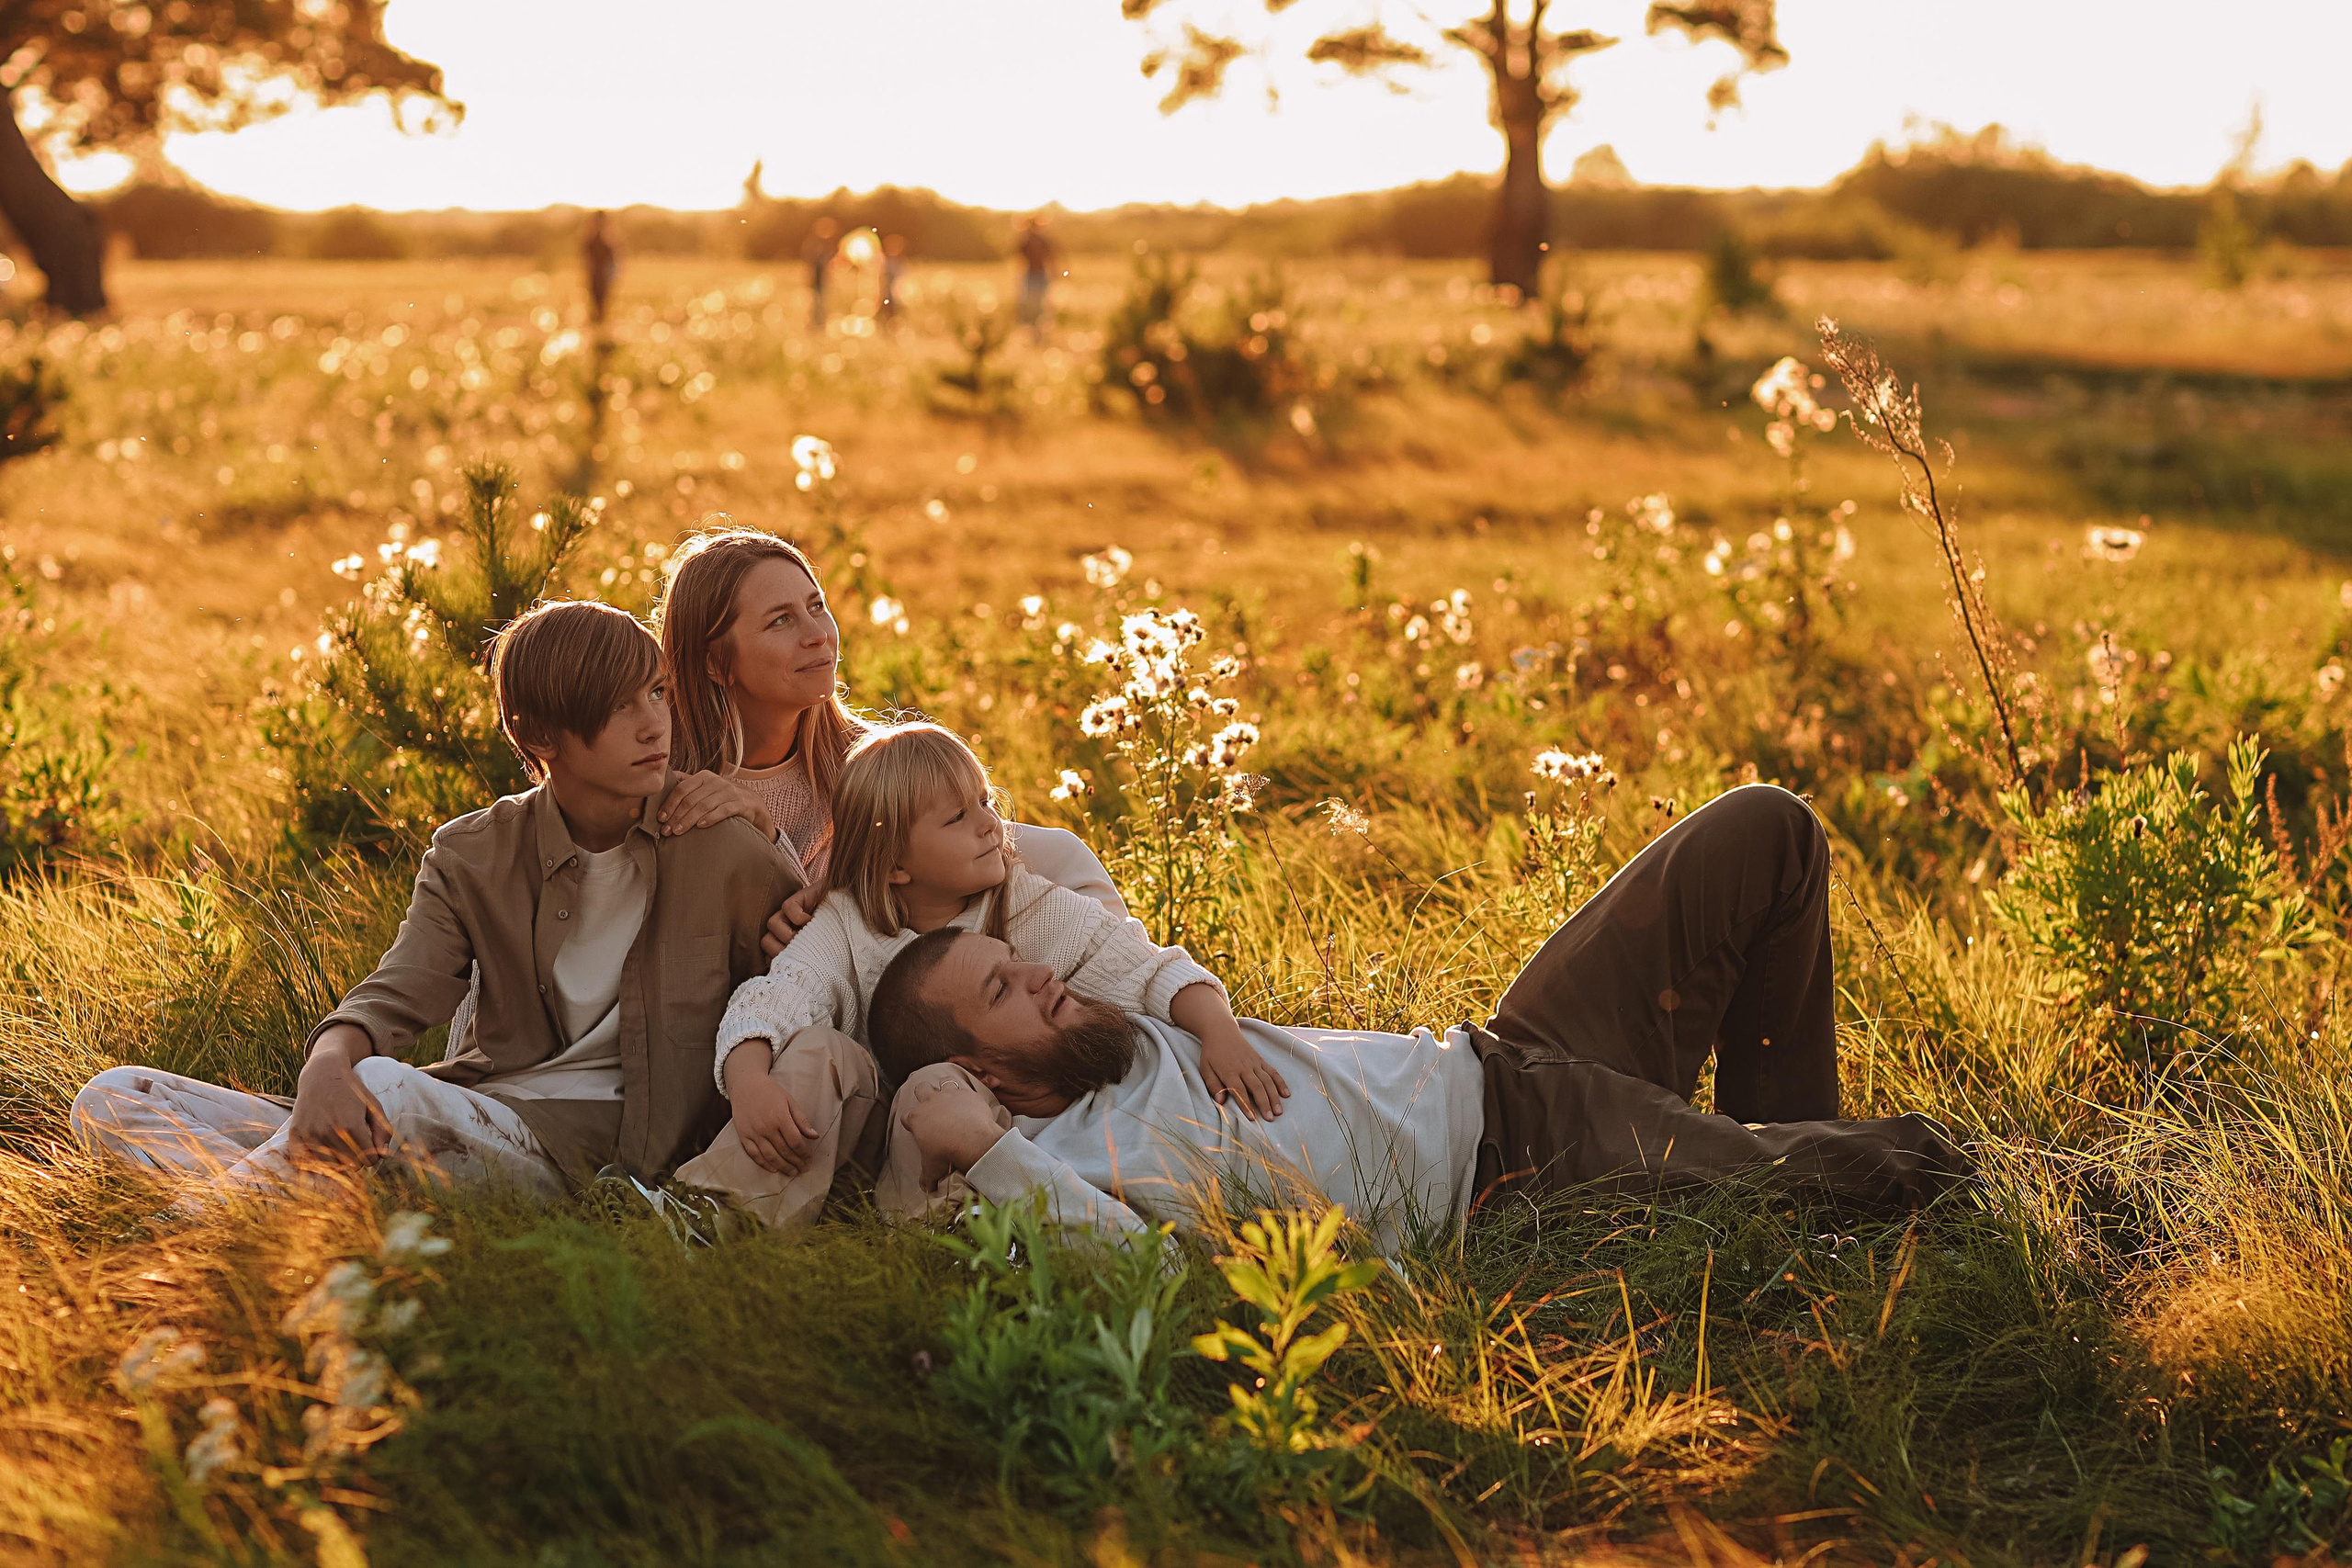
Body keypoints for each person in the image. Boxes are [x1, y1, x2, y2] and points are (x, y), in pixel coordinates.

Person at [866, 784, 1973, 1247]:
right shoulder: (1063, 1172)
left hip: (1508, 1054)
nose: (1041, 977)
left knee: (1765, 829)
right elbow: (1135, 1274)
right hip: (1517, 1167)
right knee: (1898, 1165)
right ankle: (2002, 1184)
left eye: (1017, 962)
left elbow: (1026, 861)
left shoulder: (1105, 1014)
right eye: (1002, 991)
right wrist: (978, 1147)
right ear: (977, 1075)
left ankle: (1784, 1158)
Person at [70, 601, 810, 1200]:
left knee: (383, 1089)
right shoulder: (473, 853)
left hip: (594, 1160)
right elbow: (397, 991)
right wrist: (324, 1068)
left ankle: (200, 1235)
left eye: (656, 692)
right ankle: (322, 1193)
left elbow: (814, 971)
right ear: (536, 732)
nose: (654, 723)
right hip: (464, 1117)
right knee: (114, 1095)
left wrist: (770, 833)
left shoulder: (718, 842)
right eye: (619, 706)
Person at [677, 724, 1286, 1228]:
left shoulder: (1025, 901)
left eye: (986, 803)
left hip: (988, 1129)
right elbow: (776, 997)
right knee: (816, 1051)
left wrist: (1220, 1031)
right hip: (864, 1133)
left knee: (939, 1082)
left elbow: (1143, 966)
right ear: (894, 864)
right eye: (958, 817)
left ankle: (948, 1239)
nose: (990, 825)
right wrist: (748, 1079)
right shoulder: (845, 923)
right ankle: (713, 1216)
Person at [647, 525, 1125, 936]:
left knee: (1056, 853)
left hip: (903, 954)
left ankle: (1144, 987)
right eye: (781, 621)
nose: (819, 634)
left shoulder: (866, 760)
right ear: (714, 663)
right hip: (799, 991)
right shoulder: (665, 777)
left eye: (817, 606)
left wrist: (826, 880)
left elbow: (962, 845)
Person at [1015, 216, 1055, 340]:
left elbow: (1050, 257)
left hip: (1038, 275)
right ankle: (1034, 331)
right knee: (1031, 304)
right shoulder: (1025, 242)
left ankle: (1038, 331)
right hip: (1030, 275)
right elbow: (1019, 260)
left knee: (1039, 304)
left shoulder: (1041, 241)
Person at [582, 210, 618, 328]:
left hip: (602, 275)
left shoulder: (608, 242)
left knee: (602, 300)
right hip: (595, 274)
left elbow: (612, 260)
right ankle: (597, 321)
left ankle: (600, 320)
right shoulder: (591, 240)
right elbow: (586, 258)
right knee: (595, 298)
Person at [804, 217, 840, 330]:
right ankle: (817, 324)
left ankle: (820, 323)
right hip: (816, 279)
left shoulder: (826, 246)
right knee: (817, 302)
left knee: (822, 302)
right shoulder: (814, 245)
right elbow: (812, 264)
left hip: (823, 280)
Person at [877, 233, 906, 327]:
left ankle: (890, 327)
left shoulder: (900, 263)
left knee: (894, 313)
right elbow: (882, 279)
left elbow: (901, 279)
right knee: (884, 313)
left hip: (896, 294)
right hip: (886, 294)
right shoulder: (886, 262)